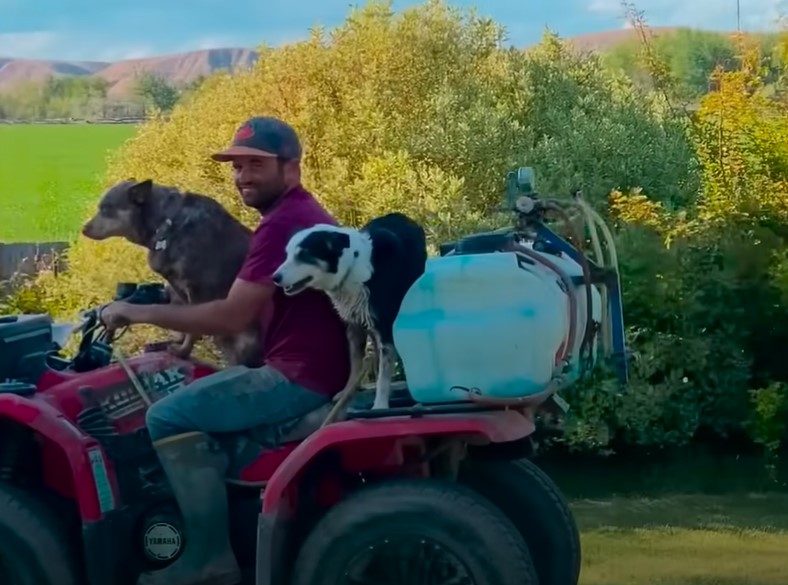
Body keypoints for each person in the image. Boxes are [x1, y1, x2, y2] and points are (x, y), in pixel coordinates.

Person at [99, 116, 351, 585]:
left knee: (166, 417)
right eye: (236, 167)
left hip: (297, 377)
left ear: (290, 169)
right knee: (201, 389)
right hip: (315, 367)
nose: (242, 177)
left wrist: (135, 312)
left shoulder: (284, 227)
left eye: (256, 164)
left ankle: (208, 558)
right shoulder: (294, 217)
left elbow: (230, 316)